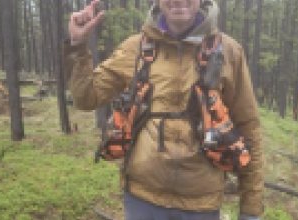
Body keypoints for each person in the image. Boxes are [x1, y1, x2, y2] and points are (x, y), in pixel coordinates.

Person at [64, 0, 264, 220]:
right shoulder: (135, 48)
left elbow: (249, 127)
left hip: (202, 204)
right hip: (142, 199)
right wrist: (78, 45)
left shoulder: (229, 51)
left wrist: (250, 209)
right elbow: (86, 98)